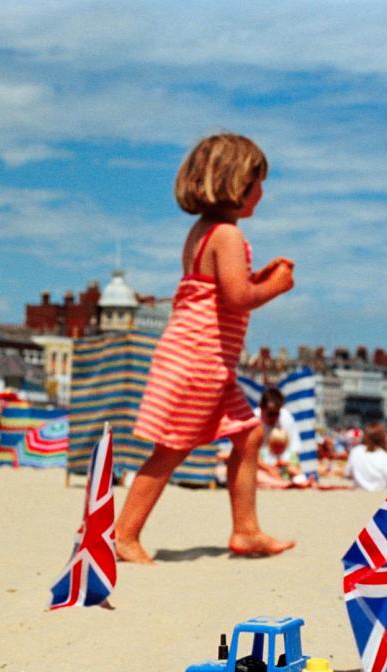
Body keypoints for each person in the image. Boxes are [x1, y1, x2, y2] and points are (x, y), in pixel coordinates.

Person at [115, 133, 297, 563]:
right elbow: (236, 298)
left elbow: (220, 291)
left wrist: (258, 279)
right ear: (235, 183)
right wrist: (276, 286)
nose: (262, 192)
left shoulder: (204, 232)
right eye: (256, 182)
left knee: (249, 435)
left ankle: (246, 530)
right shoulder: (228, 236)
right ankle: (124, 534)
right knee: (173, 446)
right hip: (200, 360)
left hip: (202, 357)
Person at [345, 422, 387, 490]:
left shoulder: (355, 451)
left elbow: (347, 474)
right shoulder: (385, 456)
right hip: (380, 491)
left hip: (359, 491)